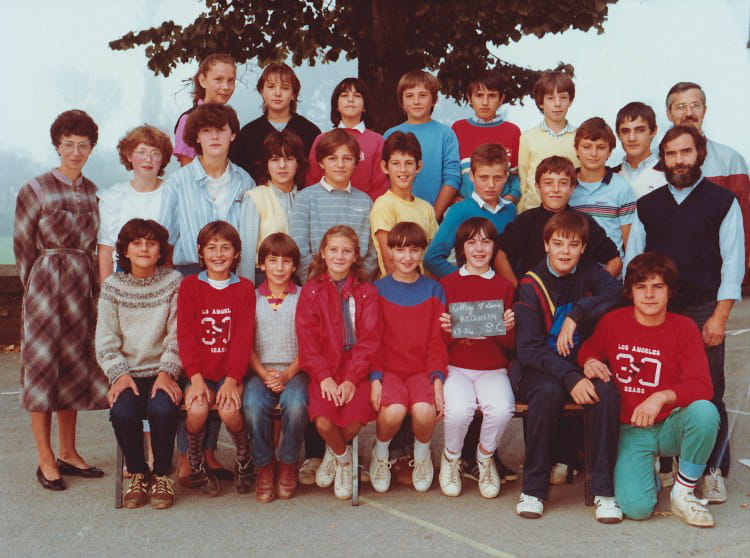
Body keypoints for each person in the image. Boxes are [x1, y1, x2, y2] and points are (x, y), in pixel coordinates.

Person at [624, 125, 744, 504]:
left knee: (708, 389)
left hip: (703, 309)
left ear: (700, 154)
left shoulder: (722, 202)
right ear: (663, 158)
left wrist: (720, 316)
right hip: (657, 311)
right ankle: (664, 464)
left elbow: (733, 262)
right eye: (671, 154)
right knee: (657, 385)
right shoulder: (648, 205)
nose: (679, 161)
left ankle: (711, 470)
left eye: (685, 152)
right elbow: (634, 263)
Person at [579, 253, 719, 527]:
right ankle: (650, 473)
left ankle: (683, 492)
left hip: (670, 424)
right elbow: (588, 350)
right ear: (630, 292)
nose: (649, 295)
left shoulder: (684, 327)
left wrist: (661, 397)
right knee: (637, 509)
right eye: (641, 287)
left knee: (705, 412)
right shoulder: (613, 322)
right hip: (631, 429)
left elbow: (702, 385)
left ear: (670, 291)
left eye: (658, 286)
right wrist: (590, 361)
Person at [160, 102, 254, 482]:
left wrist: (242, 278)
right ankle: (188, 454)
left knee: (223, 355)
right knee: (196, 361)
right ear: (195, 137)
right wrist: (171, 280)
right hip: (189, 273)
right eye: (206, 130)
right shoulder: (178, 182)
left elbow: (248, 235)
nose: (214, 136)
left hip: (232, 277)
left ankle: (210, 454)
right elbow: (166, 238)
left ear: (233, 134)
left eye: (221, 129)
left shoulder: (245, 181)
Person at [14, 109, 108, 491]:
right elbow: (23, 246)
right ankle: (45, 457)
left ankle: (68, 451)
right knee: (42, 369)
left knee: (73, 366)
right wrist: (36, 287)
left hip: (82, 287)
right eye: (68, 144)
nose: (75, 152)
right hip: (45, 287)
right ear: (57, 145)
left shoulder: (94, 192)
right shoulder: (35, 189)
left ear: (91, 148)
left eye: (83, 145)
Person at [513, 211, 623, 522]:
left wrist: (577, 313)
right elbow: (529, 349)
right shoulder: (530, 284)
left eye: (573, 245)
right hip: (542, 369)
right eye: (558, 243)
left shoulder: (591, 272)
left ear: (583, 248)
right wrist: (570, 377)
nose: (565, 251)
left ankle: (604, 491)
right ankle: (533, 489)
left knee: (606, 391)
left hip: (582, 362)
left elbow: (618, 293)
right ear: (546, 244)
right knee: (546, 394)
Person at [97, 219, 183, 509]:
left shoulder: (173, 282)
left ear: (160, 251)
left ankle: (162, 475)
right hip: (128, 374)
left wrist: (168, 372)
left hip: (163, 372)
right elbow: (105, 340)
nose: (144, 249)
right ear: (125, 250)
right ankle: (137, 473)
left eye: (151, 243)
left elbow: (178, 334)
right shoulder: (113, 287)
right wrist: (119, 375)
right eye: (137, 243)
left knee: (163, 409)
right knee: (122, 412)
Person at [296, 225, 380, 500]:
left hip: (356, 367)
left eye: (346, 251)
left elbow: (370, 339)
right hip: (325, 367)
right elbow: (307, 340)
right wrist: (324, 377)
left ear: (356, 256)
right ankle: (344, 459)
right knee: (323, 422)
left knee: (353, 421)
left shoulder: (367, 291)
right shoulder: (311, 291)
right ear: (323, 252)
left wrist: (352, 379)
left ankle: (334, 452)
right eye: (333, 250)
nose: (339, 256)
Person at [437, 218, 516, 499]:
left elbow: (509, 345)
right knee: (459, 410)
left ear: (495, 247)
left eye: (486, 241)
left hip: (492, 367)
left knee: (502, 408)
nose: (479, 249)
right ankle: (451, 457)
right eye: (471, 242)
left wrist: (508, 328)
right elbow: (437, 341)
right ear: (461, 248)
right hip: (456, 366)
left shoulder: (505, 287)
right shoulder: (446, 284)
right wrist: (447, 330)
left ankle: (485, 457)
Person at [177, 221, 256, 497]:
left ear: (236, 253)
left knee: (229, 410)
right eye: (212, 248)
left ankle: (244, 456)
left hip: (230, 373)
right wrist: (196, 378)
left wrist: (232, 379)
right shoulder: (190, 286)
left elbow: (243, 338)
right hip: (199, 373)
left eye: (225, 248)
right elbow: (186, 335)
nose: (218, 254)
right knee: (197, 409)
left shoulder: (244, 288)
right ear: (201, 252)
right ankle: (195, 461)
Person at [369, 223, 447, 493]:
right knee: (394, 411)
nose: (407, 257)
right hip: (389, 370)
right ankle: (380, 453)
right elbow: (373, 340)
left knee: (425, 411)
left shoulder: (434, 289)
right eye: (400, 250)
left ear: (423, 252)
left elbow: (437, 342)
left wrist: (437, 379)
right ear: (389, 252)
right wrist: (375, 378)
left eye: (414, 250)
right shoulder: (377, 290)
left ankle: (421, 455)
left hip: (421, 371)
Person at [243, 233, 309, 502]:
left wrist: (287, 374)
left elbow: (311, 345)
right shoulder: (251, 298)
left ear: (294, 266)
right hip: (260, 370)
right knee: (252, 404)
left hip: (296, 370)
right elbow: (244, 345)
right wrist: (263, 373)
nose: (279, 268)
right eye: (272, 261)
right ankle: (264, 465)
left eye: (286, 261)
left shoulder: (303, 297)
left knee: (297, 403)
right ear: (262, 264)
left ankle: (289, 462)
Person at [665, 81, 750, 285]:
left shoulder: (730, 159)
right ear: (668, 114)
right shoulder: (658, 161)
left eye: (695, 105)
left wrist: (738, 277)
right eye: (680, 107)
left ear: (705, 110)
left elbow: (744, 221)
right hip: (668, 279)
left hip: (718, 278)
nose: (689, 113)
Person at [496, 155, 621, 284]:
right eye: (548, 183)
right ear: (538, 187)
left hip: (576, 295)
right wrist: (516, 288)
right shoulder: (525, 221)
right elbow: (499, 254)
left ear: (572, 188)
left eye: (563, 183)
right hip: (536, 293)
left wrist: (596, 289)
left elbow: (615, 260)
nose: (555, 189)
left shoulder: (584, 222)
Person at [289, 128, 378, 281]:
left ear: (356, 163)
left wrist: (357, 283)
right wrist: (318, 283)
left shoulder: (365, 202)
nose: (340, 164)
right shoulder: (305, 198)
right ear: (321, 162)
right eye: (332, 158)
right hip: (316, 285)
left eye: (347, 158)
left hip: (356, 286)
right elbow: (299, 248)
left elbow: (372, 252)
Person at [424, 143, 516, 278]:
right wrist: (466, 280)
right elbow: (432, 258)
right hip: (472, 288)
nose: (491, 185)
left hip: (505, 286)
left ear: (506, 176)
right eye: (483, 177)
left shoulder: (510, 210)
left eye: (497, 178)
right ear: (471, 176)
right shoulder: (459, 211)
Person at [98, 125, 174, 282]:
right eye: (141, 152)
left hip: (163, 278)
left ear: (163, 159)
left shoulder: (174, 194)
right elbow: (105, 251)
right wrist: (107, 292)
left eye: (155, 153)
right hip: (122, 280)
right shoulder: (113, 197)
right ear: (129, 155)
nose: (148, 159)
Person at [384, 70, 461, 221]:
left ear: (434, 100)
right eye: (409, 96)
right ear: (402, 102)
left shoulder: (445, 134)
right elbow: (384, 179)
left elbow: (452, 178)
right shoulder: (390, 135)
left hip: (435, 218)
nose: (416, 101)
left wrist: (432, 218)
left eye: (423, 95)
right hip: (397, 219)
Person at [230, 62, 321, 183]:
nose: (277, 93)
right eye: (271, 87)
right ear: (261, 91)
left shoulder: (310, 131)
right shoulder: (248, 134)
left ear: (293, 94)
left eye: (285, 88)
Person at [238, 130, 307, 284]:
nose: (282, 166)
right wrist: (247, 290)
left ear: (298, 164)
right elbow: (246, 255)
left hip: (300, 280)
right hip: (263, 280)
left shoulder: (306, 197)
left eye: (289, 159)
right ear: (266, 164)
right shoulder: (255, 197)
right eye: (275, 159)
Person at [306, 77, 389, 200]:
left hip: (365, 208)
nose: (350, 99)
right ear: (336, 106)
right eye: (344, 95)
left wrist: (365, 207)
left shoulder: (378, 141)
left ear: (365, 106)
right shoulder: (322, 139)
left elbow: (380, 185)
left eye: (357, 96)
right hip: (325, 207)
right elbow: (312, 179)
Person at [370, 131, 438, 276]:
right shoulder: (384, 204)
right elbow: (390, 262)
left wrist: (430, 286)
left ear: (418, 166)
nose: (403, 170)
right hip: (397, 286)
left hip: (425, 285)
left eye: (409, 163)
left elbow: (432, 257)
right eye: (395, 163)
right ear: (385, 166)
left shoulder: (426, 208)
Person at [569, 117, 637, 258]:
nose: (593, 153)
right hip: (574, 267)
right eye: (587, 147)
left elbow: (630, 244)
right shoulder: (567, 186)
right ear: (576, 149)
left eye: (601, 147)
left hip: (612, 267)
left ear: (610, 151)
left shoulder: (621, 187)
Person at [451, 68, 521, 203]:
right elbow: (452, 172)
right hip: (465, 207)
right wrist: (455, 198)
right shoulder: (458, 129)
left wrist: (511, 197)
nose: (485, 102)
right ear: (469, 98)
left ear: (501, 99)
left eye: (492, 96)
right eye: (479, 95)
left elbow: (515, 175)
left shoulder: (512, 131)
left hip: (501, 208)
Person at [517, 71, 579, 213]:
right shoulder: (528, 137)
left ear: (570, 101)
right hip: (534, 211)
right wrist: (522, 212)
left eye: (563, 98)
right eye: (550, 98)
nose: (557, 104)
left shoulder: (580, 137)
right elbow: (523, 180)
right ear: (541, 103)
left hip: (570, 214)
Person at [173, 53, 237, 166]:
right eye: (218, 80)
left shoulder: (229, 118)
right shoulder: (188, 120)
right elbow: (187, 170)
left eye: (231, 80)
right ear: (203, 80)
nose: (226, 87)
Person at [612, 102, 665, 199]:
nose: (632, 138)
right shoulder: (609, 177)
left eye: (640, 130)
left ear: (653, 131)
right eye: (625, 131)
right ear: (618, 135)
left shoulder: (669, 175)